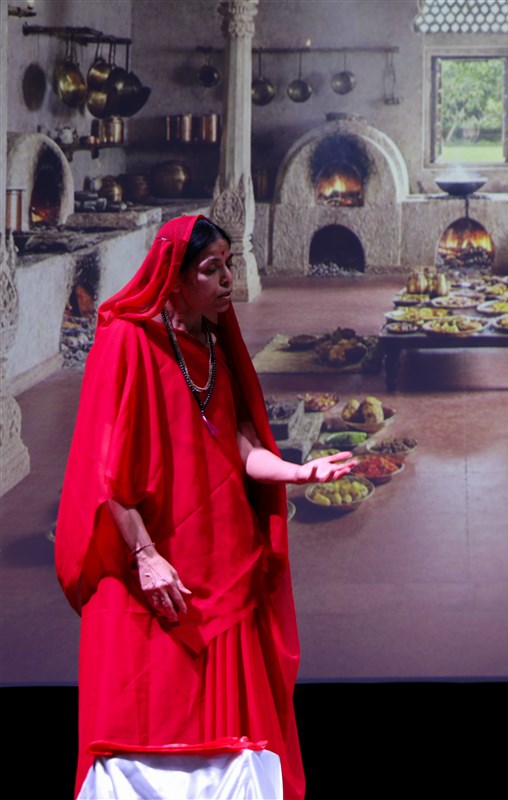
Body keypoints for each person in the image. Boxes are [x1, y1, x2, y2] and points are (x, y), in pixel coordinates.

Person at [55, 215, 353, 799]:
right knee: (144, 738)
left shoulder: (215, 347)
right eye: (211, 269)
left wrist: (298, 471)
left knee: (234, 746)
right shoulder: (127, 341)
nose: (227, 280)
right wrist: (146, 556)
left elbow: (241, 447)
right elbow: (104, 470)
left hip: (224, 565)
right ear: (174, 276)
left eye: (229, 266)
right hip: (152, 571)